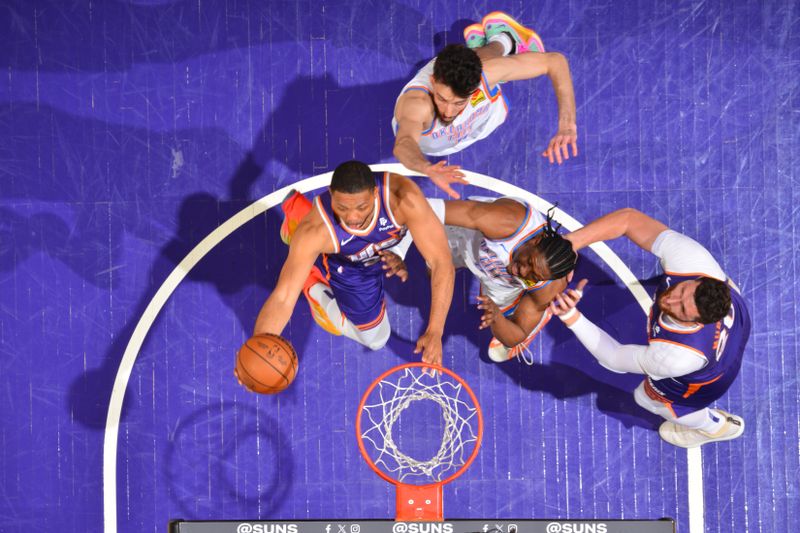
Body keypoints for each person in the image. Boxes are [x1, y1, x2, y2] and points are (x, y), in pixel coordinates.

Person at [551, 208, 750, 448]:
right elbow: (628, 219)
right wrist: (568, 244)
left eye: (682, 311)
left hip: (708, 377)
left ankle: (716, 426)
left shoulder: (672, 357)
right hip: (739, 318)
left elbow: (614, 357)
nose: (671, 301)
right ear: (698, 279)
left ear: (697, 322)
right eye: (682, 291)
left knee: (646, 398)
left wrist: (571, 316)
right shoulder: (692, 260)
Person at [253, 160, 455, 366]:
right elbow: (284, 296)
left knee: (434, 213)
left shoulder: (402, 198)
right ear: (331, 194)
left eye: (361, 207)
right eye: (342, 207)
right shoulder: (316, 230)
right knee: (377, 339)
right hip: (351, 265)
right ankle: (313, 285)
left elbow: (441, 262)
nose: (352, 217)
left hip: (388, 242)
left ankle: (298, 215)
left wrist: (435, 330)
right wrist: (257, 349)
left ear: (375, 193)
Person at [392, 11, 578, 198]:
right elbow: (404, 143)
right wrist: (427, 168)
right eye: (442, 99)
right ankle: (502, 42)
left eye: (459, 102)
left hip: (479, 119)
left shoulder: (485, 75)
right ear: (433, 81)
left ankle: (505, 40)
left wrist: (567, 125)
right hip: (435, 140)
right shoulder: (417, 105)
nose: (448, 112)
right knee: (481, 59)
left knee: (483, 61)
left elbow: (555, 62)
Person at [425, 196, 577, 363]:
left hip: (501, 285)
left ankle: (536, 314)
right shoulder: (507, 221)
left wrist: (497, 318)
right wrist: (396, 248)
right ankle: (455, 261)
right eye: (530, 262)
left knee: (508, 330)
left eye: (534, 276)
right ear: (536, 241)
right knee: (433, 269)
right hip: (468, 234)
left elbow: (517, 334)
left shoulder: (546, 288)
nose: (523, 272)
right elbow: (421, 208)